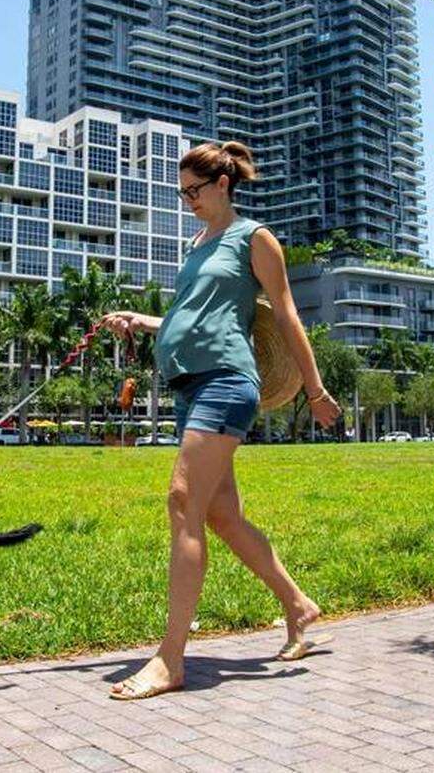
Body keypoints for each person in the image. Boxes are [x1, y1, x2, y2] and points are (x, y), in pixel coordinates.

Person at [100, 140, 342, 700]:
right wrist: (144, 319)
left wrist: (316, 388)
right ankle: (299, 606)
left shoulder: (253, 238)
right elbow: (193, 316)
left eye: (195, 191)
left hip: (227, 383)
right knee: (223, 517)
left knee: (183, 500)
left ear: (224, 184)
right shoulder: (198, 243)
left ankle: (170, 659)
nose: (188, 201)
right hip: (188, 384)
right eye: (181, 192)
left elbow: (285, 314)